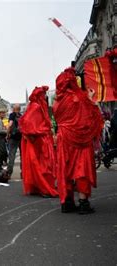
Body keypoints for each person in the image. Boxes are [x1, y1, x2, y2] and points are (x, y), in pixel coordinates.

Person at [52, 67, 103, 214]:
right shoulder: (80, 97)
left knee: (65, 169)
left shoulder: (56, 103)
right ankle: (83, 203)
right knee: (82, 169)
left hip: (63, 138)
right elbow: (91, 118)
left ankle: (67, 202)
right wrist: (92, 101)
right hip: (80, 138)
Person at [19, 86, 58, 197]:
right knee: (43, 164)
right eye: (43, 94)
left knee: (38, 164)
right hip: (39, 139)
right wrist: (35, 133)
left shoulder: (35, 106)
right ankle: (44, 187)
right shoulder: (36, 106)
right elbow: (27, 123)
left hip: (39, 138)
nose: (45, 96)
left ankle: (39, 186)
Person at [7, 104, 22, 177]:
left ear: (14, 108)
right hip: (21, 138)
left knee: (12, 155)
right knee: (22, 156)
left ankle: (9, 173)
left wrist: (7, 134)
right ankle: (23, 173)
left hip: (13, 137)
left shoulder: (12, 115)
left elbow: (10, 125)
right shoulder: (21, 116)